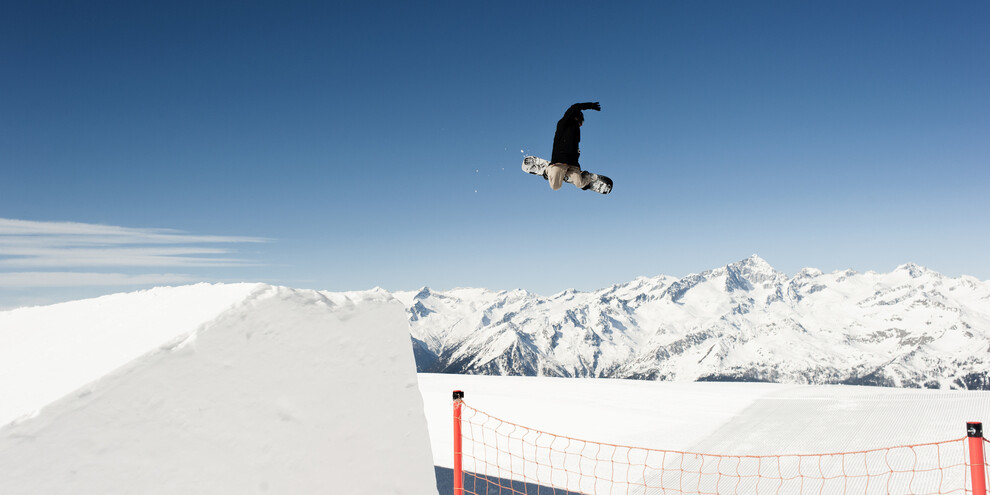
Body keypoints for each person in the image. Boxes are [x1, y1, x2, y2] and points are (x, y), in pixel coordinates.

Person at [546, 102, 601, 191]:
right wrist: (590, 105)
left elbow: (574, 150)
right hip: (560, 162)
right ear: (578, 118)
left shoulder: (577, 132)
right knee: (555, 186)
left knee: (580, 184)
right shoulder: (564, 123)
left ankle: (585, 177)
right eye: (581, 122)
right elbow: (574, 107)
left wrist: (578, 167)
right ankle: (548, 171)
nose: (581, 125)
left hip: (572, 165)